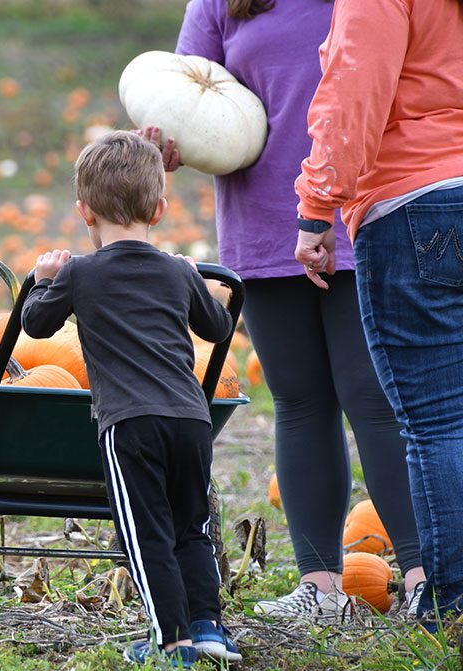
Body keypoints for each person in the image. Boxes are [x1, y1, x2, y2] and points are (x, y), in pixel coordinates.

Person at [164, 0, 425, 624]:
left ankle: (423, 578)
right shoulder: (224, 4)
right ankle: (321, 587)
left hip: (364, 216)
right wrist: (164, 139)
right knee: (300, 401)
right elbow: (184, 96)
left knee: (373, 399)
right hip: (264, 226)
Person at [21, 130, 239, 667]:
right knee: (193, 525)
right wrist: (194, 281)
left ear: (84, 212)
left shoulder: (78, 273)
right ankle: (209, 628)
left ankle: (171, 642)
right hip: (192, 420)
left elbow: (35, 324)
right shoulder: (178, 271)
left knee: (147, 535)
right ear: (160, 209)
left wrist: (43, 280)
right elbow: (216, 328)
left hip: (130, 424)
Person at [294, 0, 463, 630]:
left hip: (417, 203)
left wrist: (317, 207)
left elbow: (355, 91)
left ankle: (455, 605)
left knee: (438, 422)